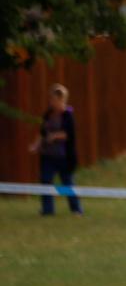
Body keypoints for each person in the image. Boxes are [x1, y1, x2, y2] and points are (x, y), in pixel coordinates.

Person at [29, 84, 81, 215]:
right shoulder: (48, 113)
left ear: (61, 99)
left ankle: (76, 209)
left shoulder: (68, 115)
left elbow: (69, 134)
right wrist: (36, 145)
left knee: (67, 183)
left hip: (63, 156)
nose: (51, 102)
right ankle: (47, 210)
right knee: (45, 180)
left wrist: (55, 136)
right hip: (48, 155)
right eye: (50, 99)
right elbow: (42, 132)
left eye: (53, 99)